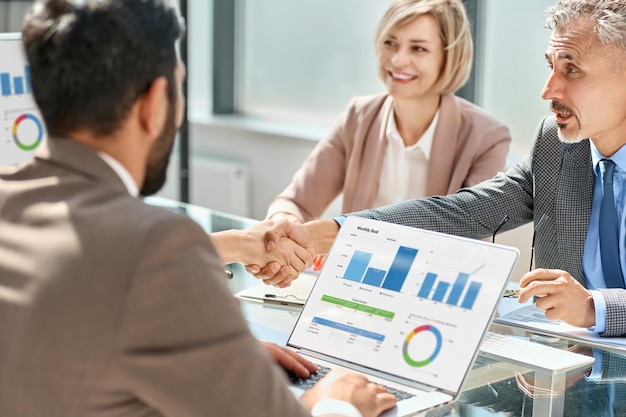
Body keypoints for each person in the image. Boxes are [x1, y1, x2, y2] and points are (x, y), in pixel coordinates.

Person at [0, 1, 396, 416]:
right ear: (155, 102)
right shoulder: (158, 248)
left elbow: (56, 311)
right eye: (180, 87)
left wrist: (211, 353)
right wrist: (336, 402)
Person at [259, 0, 626, 338]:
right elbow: (460, 212)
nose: (547, 90)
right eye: (551, 67)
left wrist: (596, 308)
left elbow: (581, 307)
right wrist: (333, 232)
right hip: (575, 378)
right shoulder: (556, 146)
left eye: (572, 70)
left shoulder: (488, 132)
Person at [265, 0, 510, 225]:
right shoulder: (358, 118)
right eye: (390, 43)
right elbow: (295, 202)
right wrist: (285, 223)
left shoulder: (486, 138)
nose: (397, 60)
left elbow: (470, 233)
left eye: (418, 49)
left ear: (449, 58)